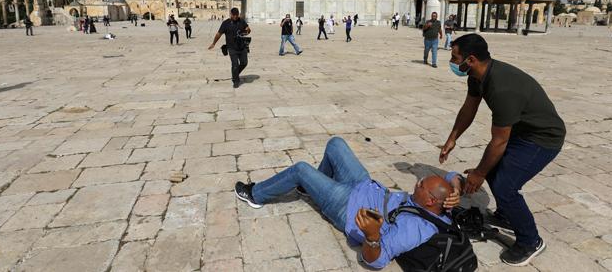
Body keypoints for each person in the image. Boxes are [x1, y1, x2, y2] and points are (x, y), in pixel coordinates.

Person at [235, 137, 463, 270]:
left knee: (301, 170)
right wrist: (457, 186)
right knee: (335, 143)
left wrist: (372, 236)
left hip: (345, 204)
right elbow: (453, 174)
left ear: (432, 200)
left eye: (421, 185)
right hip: (364, 184)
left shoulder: (415, 229)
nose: (417, 183)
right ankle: (311, 188)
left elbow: (377, 260)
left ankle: (255, 195)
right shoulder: (444, 203)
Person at [440, 34, 565, 266]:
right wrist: (452, 138)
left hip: (543, 138)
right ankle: (507, 216)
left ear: (471, 59)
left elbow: (498, 142)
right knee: (495, 172)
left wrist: (478, 173)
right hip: (523, 131)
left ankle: (531, 241)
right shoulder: (476, 76)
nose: (452, 61)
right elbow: (469, 108)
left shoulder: (502, 88)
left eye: (454, 57)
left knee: (505, 186)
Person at [209, 7, 251, 88]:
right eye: (234, 15)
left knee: (244, 63)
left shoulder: (241, 21)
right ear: (231, 14)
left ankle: (235, 74)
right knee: (235, 64)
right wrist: (214, 43)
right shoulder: (226, 23)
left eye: (237, 15)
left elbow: (248, 29)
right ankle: (236, 80)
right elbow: (219, 34)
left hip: (242, 47)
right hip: (232, 47)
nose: (235, 16)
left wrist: (246, 31)